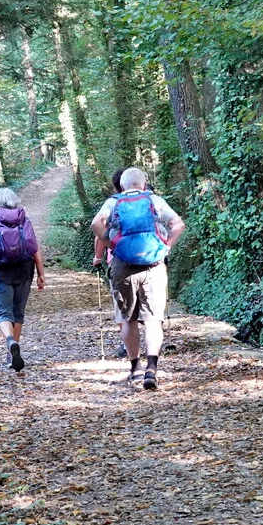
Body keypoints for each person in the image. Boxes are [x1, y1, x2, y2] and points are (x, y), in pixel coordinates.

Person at [91, 167, 185, 390]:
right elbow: (178, 225)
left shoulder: (113, 202)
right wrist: (165, 246)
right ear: (143, 184)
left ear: (122, 186)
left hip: (123, 264)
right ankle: (152, 369)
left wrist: (112, 245)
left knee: (127, 318)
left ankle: (135, 369)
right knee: (153, 319)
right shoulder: (154, 200)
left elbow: (96, 224)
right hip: (154, 264)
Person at [0, 187, 46, 372]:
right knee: (18, 313)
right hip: (24, 270)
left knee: (3, 313)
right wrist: (41, 273)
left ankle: (10, 342)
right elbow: (35, 248)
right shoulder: (23, 219)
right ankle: (12, 351)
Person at [94, 169, 129, 359]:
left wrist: (99, 256)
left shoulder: (112, 203)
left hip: (118, 260)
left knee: (121, 306)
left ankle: (127, 345)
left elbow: (98, 230)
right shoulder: (149, 200)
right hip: (149, 259)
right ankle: (151, 347)